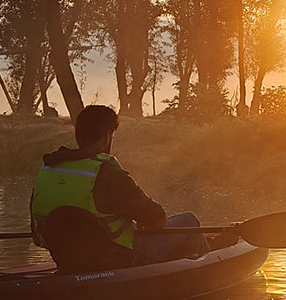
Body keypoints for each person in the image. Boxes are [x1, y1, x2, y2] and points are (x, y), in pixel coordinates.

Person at [30, 105, 207, 272]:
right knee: (189, 221)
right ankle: (200, 273)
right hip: (115, 260)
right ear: (108, 135)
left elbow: (39, 231)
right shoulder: (107, 173)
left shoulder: (48, 169)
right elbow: (157, 219)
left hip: (66, 259)